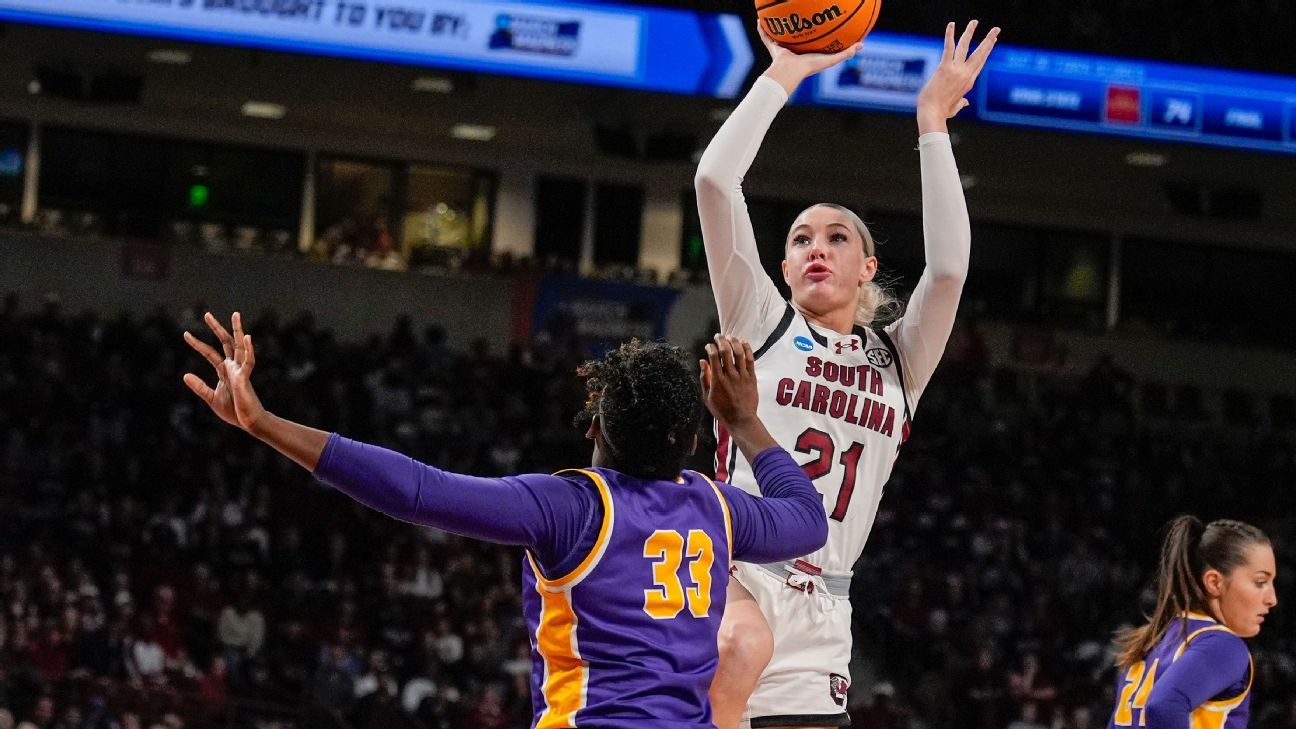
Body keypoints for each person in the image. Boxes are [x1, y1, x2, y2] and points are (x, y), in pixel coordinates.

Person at [182, 312, 828, 727]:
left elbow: (416, 490)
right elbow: (807, 518)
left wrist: (264, 423)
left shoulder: (571, 506)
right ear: (692, 440)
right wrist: (742, 421)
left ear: (595, 422)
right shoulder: (713, 505)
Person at [694, 20, 999, 729]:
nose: (816, 249)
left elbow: (950, 267)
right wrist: (787, 73)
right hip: (735, 578)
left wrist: (932, 123)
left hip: (826, 605)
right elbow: (715, 178)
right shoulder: (759, 314)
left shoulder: (899, 358)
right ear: (783, 267)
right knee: (732, 660)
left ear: (866, 269)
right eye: (801, 238)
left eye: (838, 238)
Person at [1107, 516, 1277, 729]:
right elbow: (1163, 705)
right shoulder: (1223, 645)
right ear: (1214, 582)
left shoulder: (1152, 639)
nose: (1272, 599)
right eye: (1260, 582)